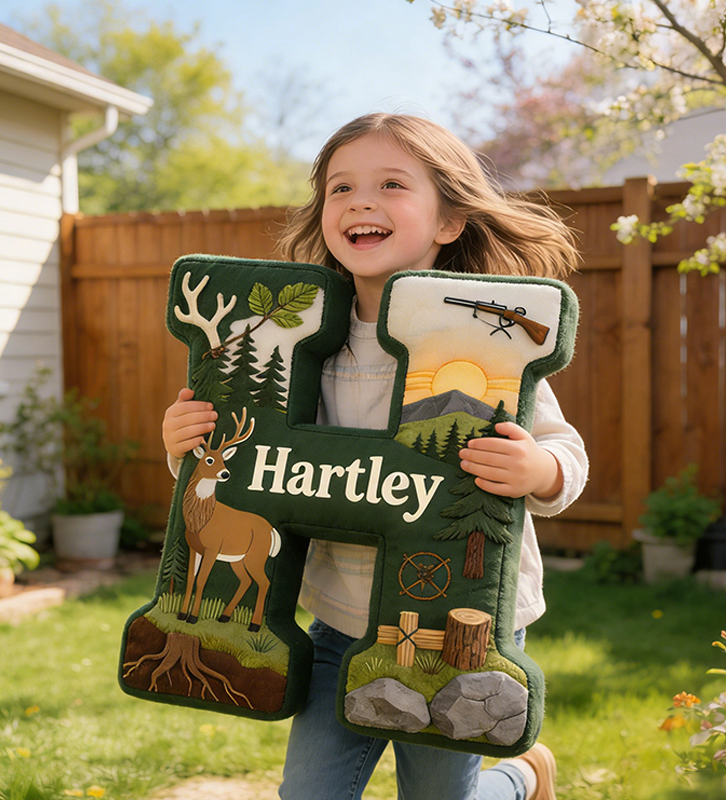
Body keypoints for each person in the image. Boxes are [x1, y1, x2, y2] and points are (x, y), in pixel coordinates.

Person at [161, 113, 589, 800]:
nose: (361, 201)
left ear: (449, 219)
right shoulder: (299, 342)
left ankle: (518, 778)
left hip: (460, 629)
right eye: (341, 188)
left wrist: (540, 470)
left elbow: (564, 449)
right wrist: (184, 439)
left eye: (392, 184)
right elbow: (250, 465)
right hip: (341, 620)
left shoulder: (485, 339)